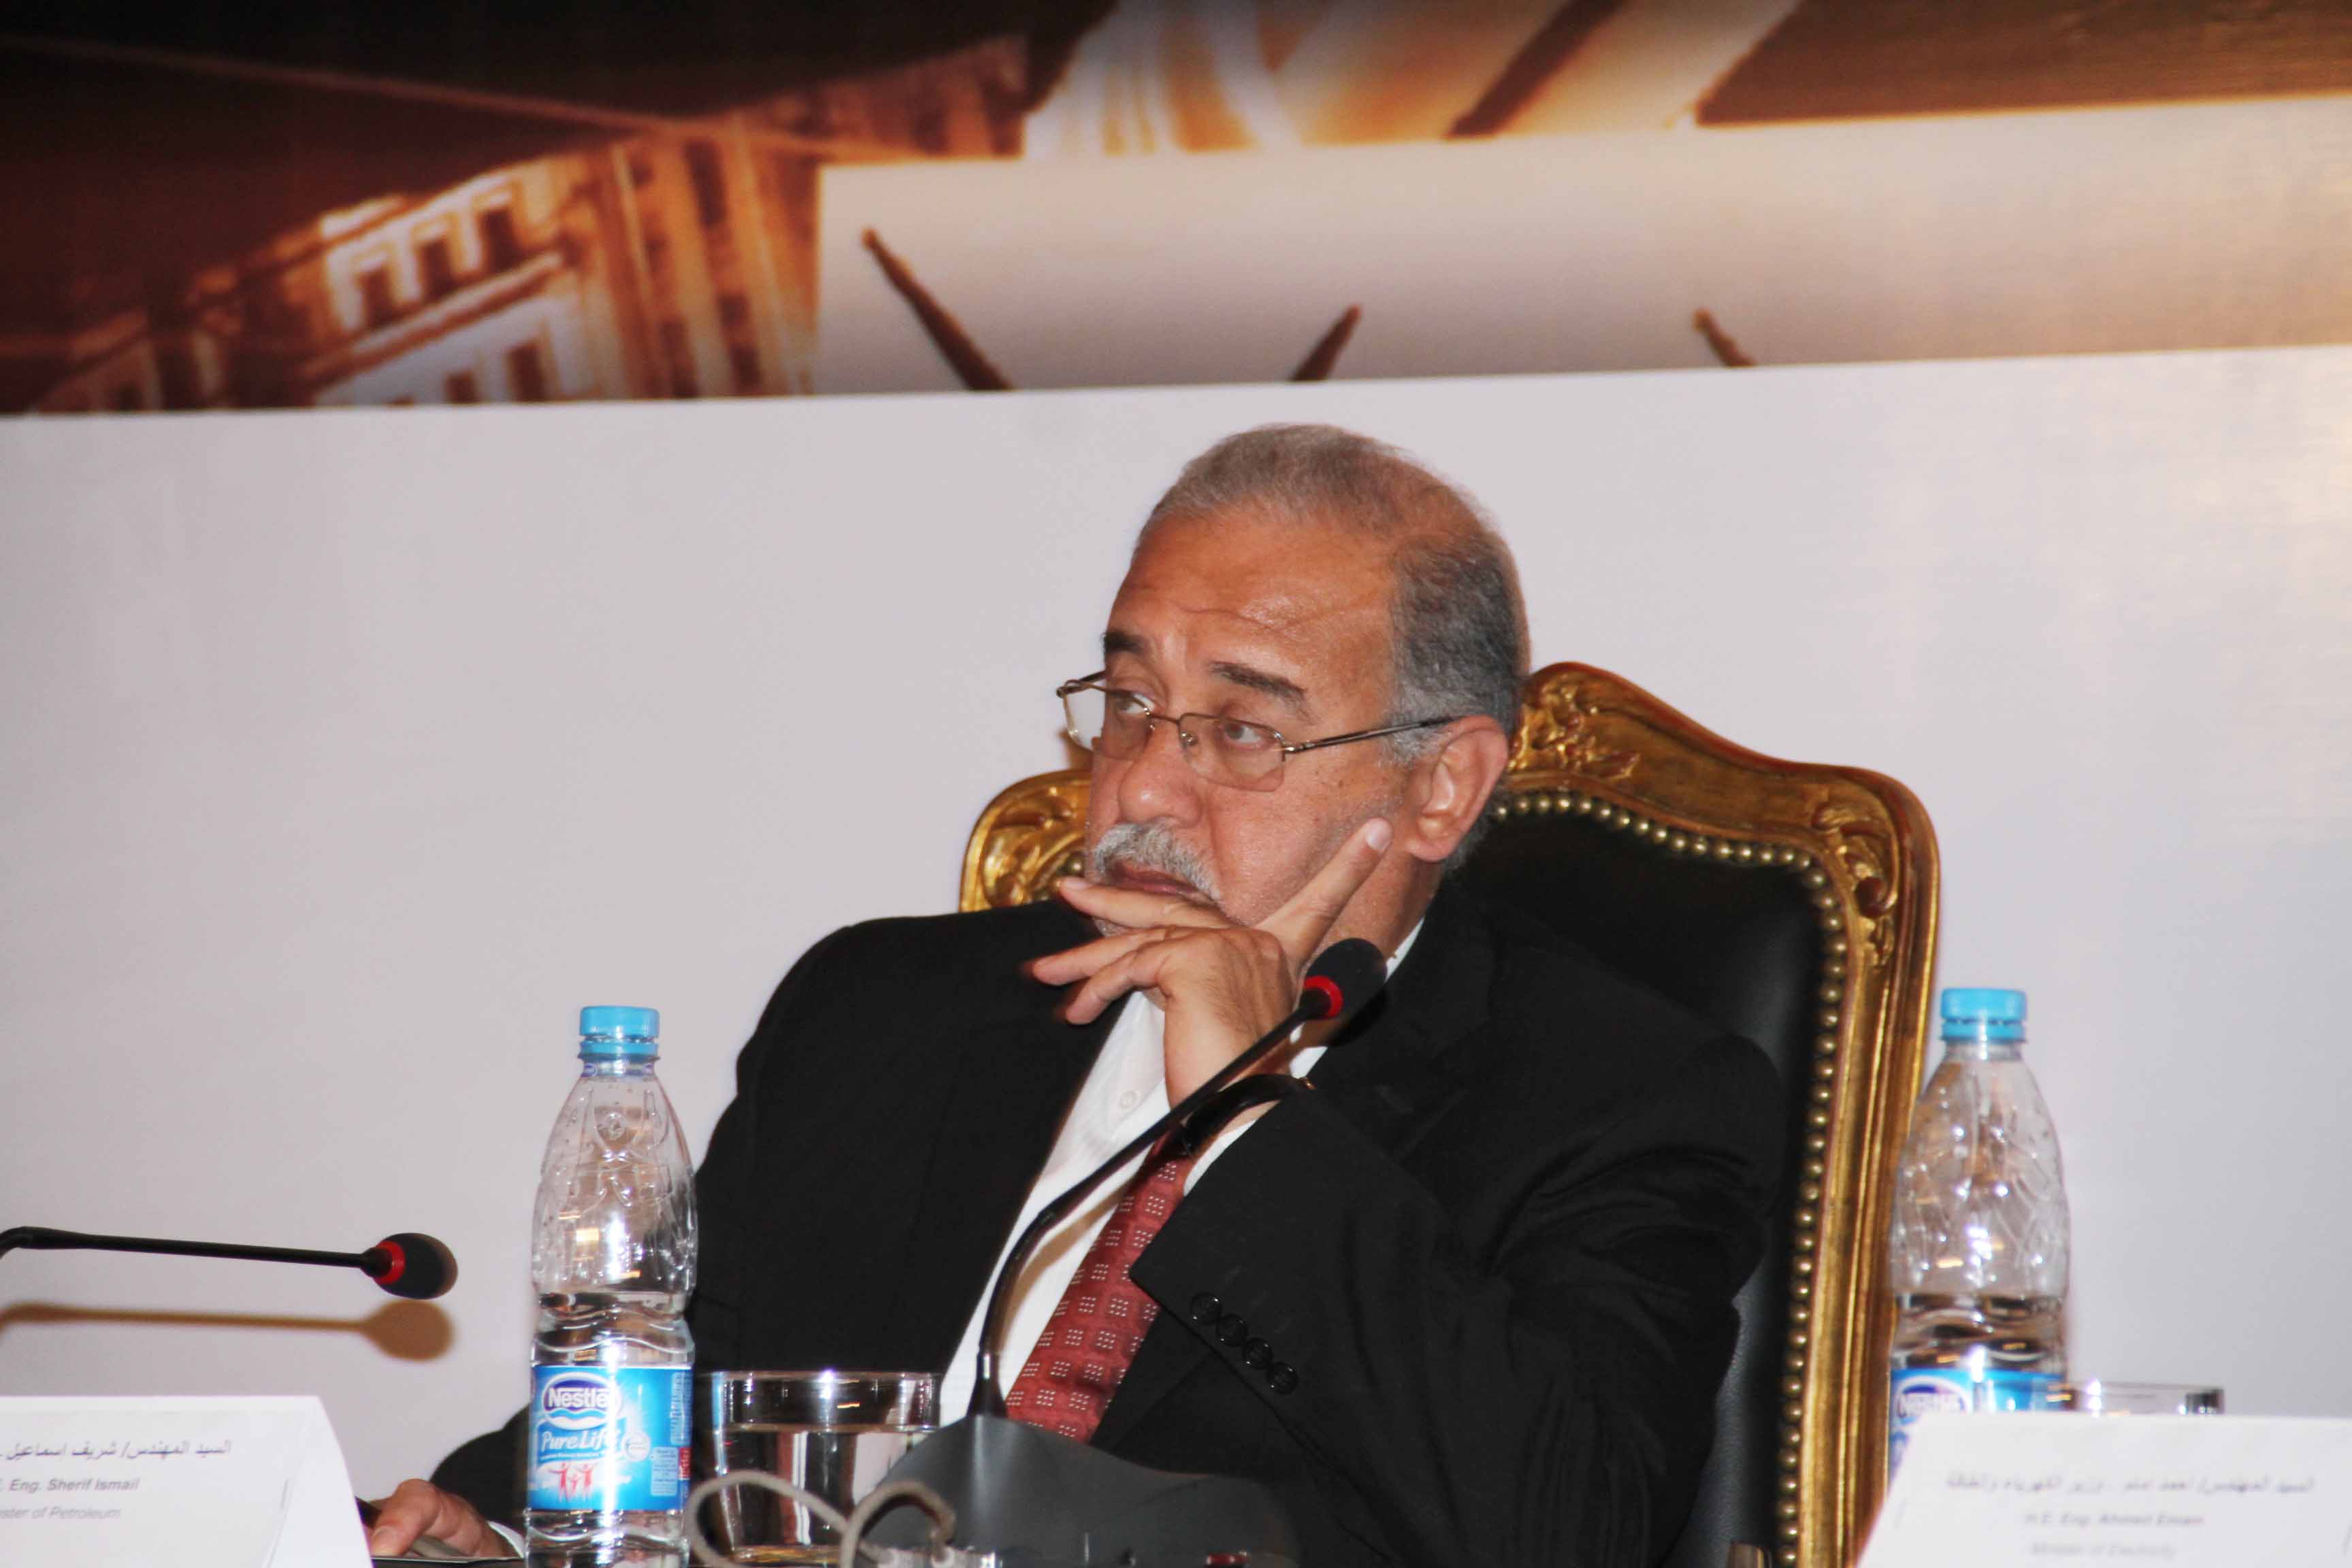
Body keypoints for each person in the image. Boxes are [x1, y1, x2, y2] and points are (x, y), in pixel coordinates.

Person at [367, 424, 1781, 1565]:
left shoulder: (1619, 1100)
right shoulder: (884, 1013)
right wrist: (500, 1531)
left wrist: (1249, 1122)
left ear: (1443, 787)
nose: (1145, 788)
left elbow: (1563, 1525)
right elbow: (680, 1393)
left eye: (1243, 729)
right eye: (1128, 705)